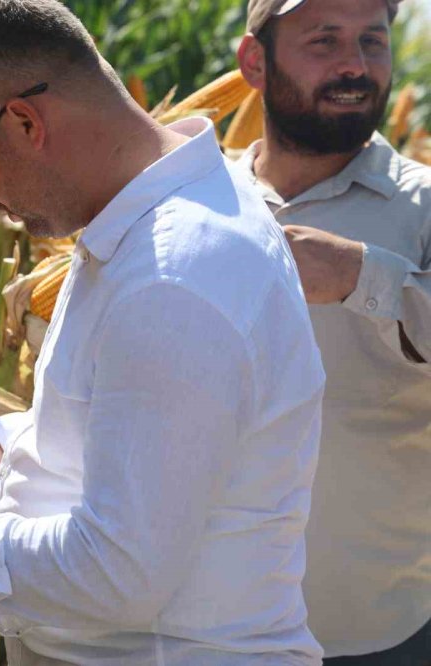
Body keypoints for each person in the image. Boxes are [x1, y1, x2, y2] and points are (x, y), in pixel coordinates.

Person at [0, 0, 327, 663]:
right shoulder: (154, 223)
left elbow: (118, 574)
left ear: (25, 123)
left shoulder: (172, 281)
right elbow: (87, 437)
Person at [234, 1, 430, 663]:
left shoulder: (424, 206)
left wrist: (362, 276)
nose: (356, 64)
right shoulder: (200, 202)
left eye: (372, 40)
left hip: (374, 634)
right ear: (253, 62)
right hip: (213, 624)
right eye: (325, 40)